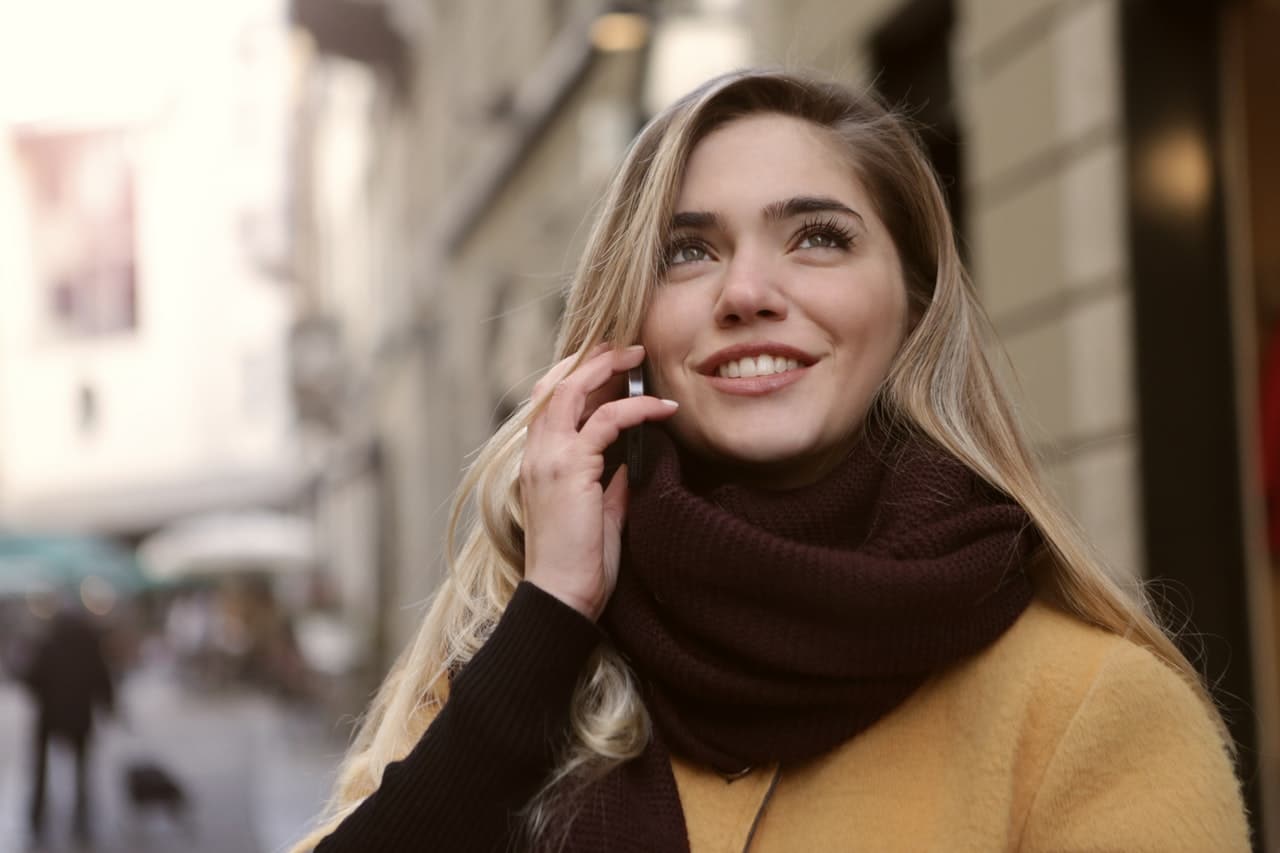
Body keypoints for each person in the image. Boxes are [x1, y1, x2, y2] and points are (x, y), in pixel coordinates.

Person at [295, 69, 1249, 851]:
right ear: (628, 324)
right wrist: (549, 618)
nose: (747, 291)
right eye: (687, 252)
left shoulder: (1093, 714)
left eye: (819, 238)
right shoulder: (523, 656)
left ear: (913, 306)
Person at [21, 604, 116, 844]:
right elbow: (103, 679)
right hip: (79, 717)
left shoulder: (47, 644)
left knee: (41, 771)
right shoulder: (89, 646)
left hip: (50, 717)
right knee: (82, 771)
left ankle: (38, 818)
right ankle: (81, 820)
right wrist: (109, 705)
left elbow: (31, 679)